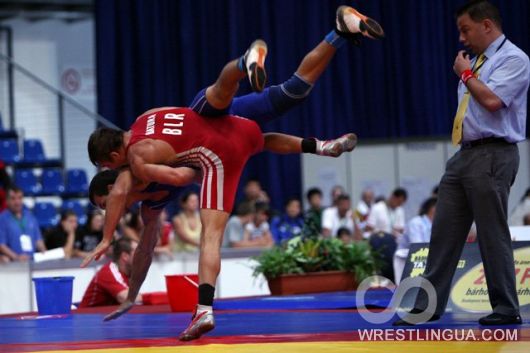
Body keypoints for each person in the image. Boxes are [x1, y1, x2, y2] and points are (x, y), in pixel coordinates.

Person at [84, 5, 383, 341]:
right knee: (281, 94)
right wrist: (131, 294)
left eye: (103, 199)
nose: (108, 207)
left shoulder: (132, 171)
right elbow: (143, 249)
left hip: (215, 156)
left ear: (113, 160)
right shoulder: (143, 120)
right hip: (219, 119)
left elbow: (160, 184)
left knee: (211, 235)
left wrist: (108, 237)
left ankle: (204, 310)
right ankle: (325, 42)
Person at [395, 0, 529, 326]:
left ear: (487, 25)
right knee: (443, 232)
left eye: (465, 29)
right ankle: (427, 306)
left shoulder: (514, 58)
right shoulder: (481, 61)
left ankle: (506, 307)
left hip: (494, 153)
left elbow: (493, 101)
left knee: (490, 231)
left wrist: (465, 73)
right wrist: (470, 72)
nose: (461, 38)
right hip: (465, 154)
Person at [79, 238, 141, 307]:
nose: (142, 255)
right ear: (125, 256)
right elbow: (125, 298)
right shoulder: (108, 272)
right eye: (138, 251)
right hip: (86, 316)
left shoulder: (129, 274)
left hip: (101, 316)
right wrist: (153, 297)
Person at [393, 197, 437, 285]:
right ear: (431, 209)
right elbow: (419, 246)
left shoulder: (437, 225)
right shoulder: (416, 223)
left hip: (428, 258)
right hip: (408, 259)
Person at [0, 185, 46, 261]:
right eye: (13, 198)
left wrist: (44, 252)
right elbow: (1, 245)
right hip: (12, 263)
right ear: (7, 201)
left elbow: (38, 240)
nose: (17, 202)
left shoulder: (30, 216)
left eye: (20, 198)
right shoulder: (2, 219)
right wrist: (16, 257)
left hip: (32, 261)